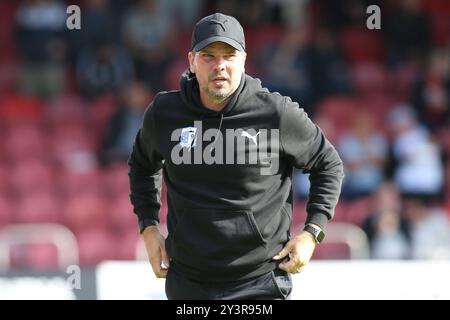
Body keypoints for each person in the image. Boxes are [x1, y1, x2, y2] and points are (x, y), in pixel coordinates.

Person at [128, 13, 344, 300]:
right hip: (188, 282)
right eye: (208, 56)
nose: (220, 66)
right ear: (191, 61)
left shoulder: (275, 112)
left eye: (229, 56)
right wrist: (148, 226)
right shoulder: (164, 113)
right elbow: (142, 166)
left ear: (243, 60)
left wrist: (312, 232)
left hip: (260, 281)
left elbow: (328, 165)